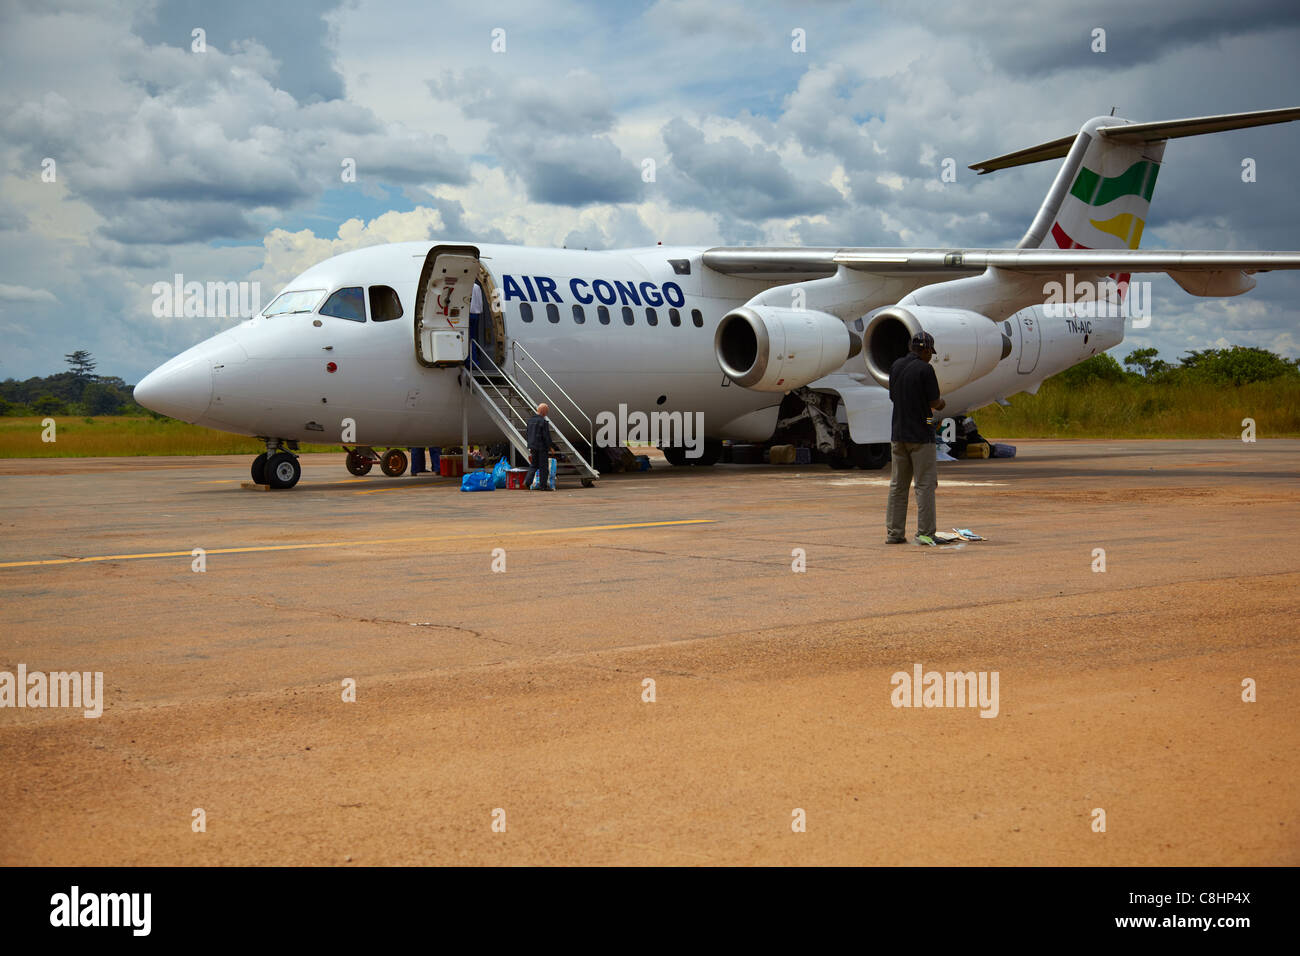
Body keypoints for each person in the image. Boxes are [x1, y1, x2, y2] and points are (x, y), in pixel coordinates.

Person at [885, 331, 945, 545]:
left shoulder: (896, 366)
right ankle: (926, 533)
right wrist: (941, 405)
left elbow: (893, 396)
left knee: (898, 486)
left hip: (898, 433)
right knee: (925, 485)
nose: (931, 357)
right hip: (922, 432)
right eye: (931, 352)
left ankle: (894, 533)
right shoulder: (925, 369)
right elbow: (934, 402)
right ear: (926, 350)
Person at [523, 402, 556, 491]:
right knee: (543, 467)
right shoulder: (543, 422)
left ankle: (527, 482)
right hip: (541, 447)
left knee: (533, 465)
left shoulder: (530, 421)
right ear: (543, 411)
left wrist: (529, 445)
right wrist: (551, 447)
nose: (547, 414)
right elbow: (546, 436)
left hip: (533, 446)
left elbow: (528, 434)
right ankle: (543, 486)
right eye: (547, 412)